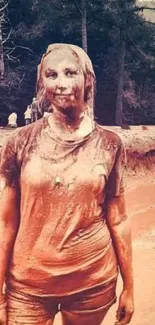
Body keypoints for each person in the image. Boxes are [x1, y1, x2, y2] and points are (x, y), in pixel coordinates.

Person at [0, 43, 134, 325]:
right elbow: (6, 223)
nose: (61, 84)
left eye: (70, 73)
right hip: (27, 287)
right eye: (52, 75)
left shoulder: (110, 145)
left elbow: (118, 219)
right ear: (42, 83)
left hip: (92, 282)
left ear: (87, 79)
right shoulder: (20, 142)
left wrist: (129, 288)